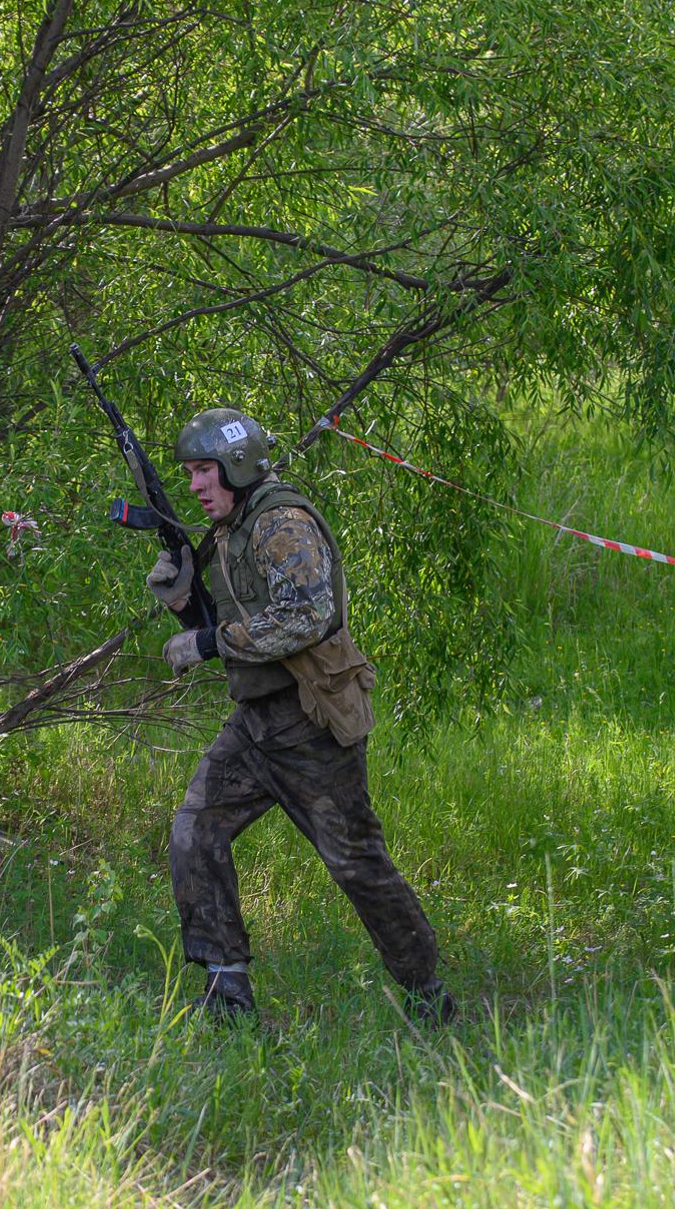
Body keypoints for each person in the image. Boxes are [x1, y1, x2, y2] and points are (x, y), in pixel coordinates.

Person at [147, 407, 453, 1021]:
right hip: (256, 723)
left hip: (310, 724)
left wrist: (204, 643)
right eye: (189, 474)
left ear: (236, 466)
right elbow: (240, 623)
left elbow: (303, 618)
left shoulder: (279, 523)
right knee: (194, 834)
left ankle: (428, 995)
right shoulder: (232, 530)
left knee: (356, 863)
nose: (196, 486)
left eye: (205, 471)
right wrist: (184, 602)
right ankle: (226, 992)